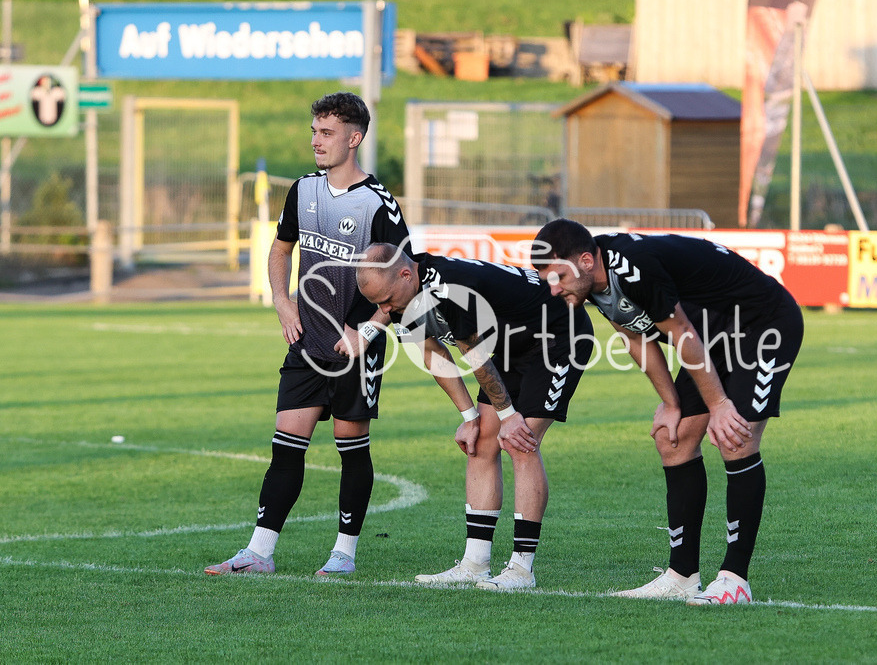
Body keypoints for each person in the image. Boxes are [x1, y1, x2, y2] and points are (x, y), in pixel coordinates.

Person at [532, 219, 803, 604]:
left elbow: (680, 332)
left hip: (763, 321)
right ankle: (682, 576)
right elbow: (634, 337)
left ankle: (735, 579)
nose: (553, 289)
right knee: (672, 440)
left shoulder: (631, 266)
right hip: (713, 333)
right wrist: (672, 404)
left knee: (735, 437)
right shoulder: (591, 281)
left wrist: (719, 405)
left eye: (558, 277)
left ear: (587, 261)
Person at [205, 92, 411, 577]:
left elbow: (406, 279)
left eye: (327, 133)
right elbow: (281, 250)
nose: (316, 141)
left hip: (355, 349)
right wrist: (282, 300)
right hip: (307, 343)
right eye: (314, 132)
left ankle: (343, 555)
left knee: (351, 449)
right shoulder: (302, 190)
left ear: (354, 139)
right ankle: (258, 553)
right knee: (285, 447)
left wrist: (368, 332)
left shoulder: (379, 204)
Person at [356, 243, 593, 590]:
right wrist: (469, 416)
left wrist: (509, 416)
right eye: (378, 305)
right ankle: (475, 564)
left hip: (560, 334)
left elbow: (475, 356)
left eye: (388, 301)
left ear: (406, 275)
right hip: (515, 344)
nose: (385, 311)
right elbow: (432, 353)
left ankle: (522, 569)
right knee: (480, 442)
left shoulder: (450, 289)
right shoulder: (401, 300)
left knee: (520, 441)